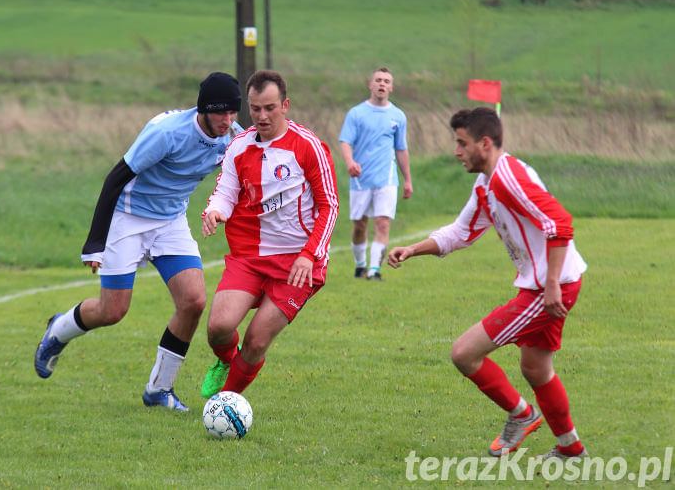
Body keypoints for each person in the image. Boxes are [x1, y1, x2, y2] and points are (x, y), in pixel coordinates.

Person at [33, 72, 243, 412]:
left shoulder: (232, 137)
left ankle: (159, 390)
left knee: (193, 301)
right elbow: (115, 179)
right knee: (112, 311)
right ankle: (59, 329)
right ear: (203, 110)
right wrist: (95, 243)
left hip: (171, 221)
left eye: (233, 113)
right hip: (128, 218)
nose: (228, 120)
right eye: (221, 113)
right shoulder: (167, 133)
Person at [387, 107, 588, 460]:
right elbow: (461, 233)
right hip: (546, 285)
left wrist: (553, 283)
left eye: (462, 144)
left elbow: (560, 223)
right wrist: (413, 249)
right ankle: (570, 447)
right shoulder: (486, 184)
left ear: (484, 143)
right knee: (536, 368)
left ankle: (522, 415)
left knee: (464, 353)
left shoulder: (508, 178)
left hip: (547, 290)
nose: (456, 151)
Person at [199, 69, 339, 398]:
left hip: (296, 261)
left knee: (257, 340)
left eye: (270, 108)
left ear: (285, 105)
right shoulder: (238, 146)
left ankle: (226, 402)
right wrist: (214, 211)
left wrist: (309, 255)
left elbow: (329, 206)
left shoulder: (309, 147)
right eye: (255, 108)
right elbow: (225, 191)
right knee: (218, 328)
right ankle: (226, 362)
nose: (262, 116)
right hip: (248, 256)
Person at [339, 67, 413, 281]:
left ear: (391, 87)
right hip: (361, 180)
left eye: (386, 81)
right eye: (378, 80)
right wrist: (350, 162)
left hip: (387, 179)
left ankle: (374, 271)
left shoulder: (398, 116)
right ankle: (360, 265)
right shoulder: (356, 113)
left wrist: (407, 179)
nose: (382, 84)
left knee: (382, 223)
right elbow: (345, 141)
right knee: (359, 225)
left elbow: (401, 149)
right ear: (370, 85)